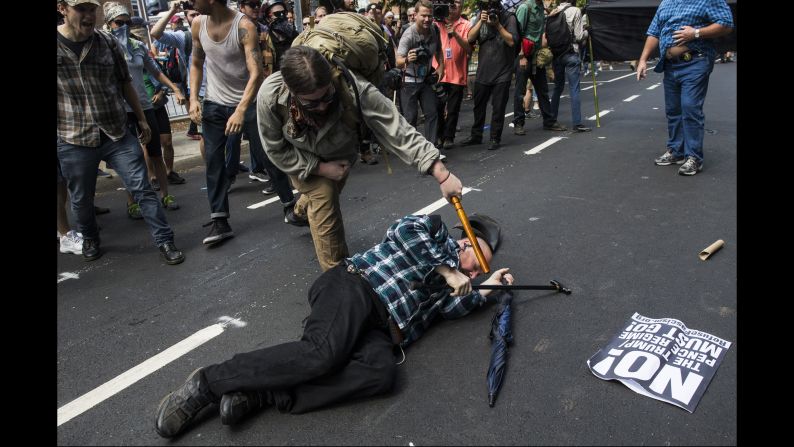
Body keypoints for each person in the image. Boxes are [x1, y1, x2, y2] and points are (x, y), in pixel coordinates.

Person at [154, 213, 513, 438]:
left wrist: (489, 285)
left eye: (480, 269)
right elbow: (405, 230)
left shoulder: (460, 284)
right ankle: (207, 384)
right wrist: (448, 270)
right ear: (465, 242)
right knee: (322, 354)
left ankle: (263, 393)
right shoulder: (435, 234)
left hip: (381, 328)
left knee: (380, 375)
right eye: (477, 260)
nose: (475, 271)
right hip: (356, 286)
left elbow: (451, 308)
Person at [258, 46, 464, 271]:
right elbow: (275, 149)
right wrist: (319, 168)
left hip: (341, 154)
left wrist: (441, 173)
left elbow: (395, 127)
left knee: (330, 191)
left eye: (327, 97)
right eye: (312, 103)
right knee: (324, 195)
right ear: (290, 90)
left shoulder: (352, 86)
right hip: (302, 159)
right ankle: (339, 278)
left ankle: (299, 212)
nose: (322, 106)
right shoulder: (270, 96)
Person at [56, 0, 185, 265]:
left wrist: (141, 119)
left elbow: (125, 82)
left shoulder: (108, 42)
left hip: (116, 132)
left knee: (142, 189)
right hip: (74, 138)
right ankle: (90, 237)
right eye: (82, 9)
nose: (89, 16)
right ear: (62, 9)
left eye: (93, 9)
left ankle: (165, 241)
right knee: (81, 198)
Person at [189, 0, 300, 246]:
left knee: (267, 154)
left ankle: (289, 206)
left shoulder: (244, 26)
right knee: (214, 161)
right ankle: (220, 220)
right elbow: (196, 62)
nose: (192, 2)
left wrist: (240, 110)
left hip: (247, 102)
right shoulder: (198, 23)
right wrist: (193, 98)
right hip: (214, 104)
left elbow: (255, 72)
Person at [102, 4, 186, 216]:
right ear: (109, 24)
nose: (123, 27)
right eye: (118, 23)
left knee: (155, 152)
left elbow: (156, 72)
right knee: (132, 157)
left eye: (127, 22)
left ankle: (165, 194)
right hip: (121, 110)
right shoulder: (105, 47)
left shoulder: (137, 46)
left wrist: (174, 88)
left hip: (145, 106)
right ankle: (132, 202)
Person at [637, 0, 733, 176]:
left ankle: (694, 157)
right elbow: (654, 32)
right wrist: (643, 59)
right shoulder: (666, 2)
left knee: (690, 108)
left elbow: (726, 24)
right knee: (673, 110)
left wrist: (696, 33)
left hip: (696, 61)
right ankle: (676, 151)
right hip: (670, 65)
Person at [460, 0, 519, 151]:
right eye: (486, 6)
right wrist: (481, 20)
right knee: (478, 106)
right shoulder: (481, 17)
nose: (489, 9)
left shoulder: (509, 18)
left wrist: (498, 25)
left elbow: (512, 41)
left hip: (502, 72)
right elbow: (471, 38)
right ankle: (476, 136)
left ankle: (495, 138)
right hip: (483, 71)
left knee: (498, 107)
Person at [397, 0, 445, 148]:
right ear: (415, 15)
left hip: (425, 80)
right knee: (411, 119)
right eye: (423, 15)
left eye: (429, 16)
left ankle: (431, 149)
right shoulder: (408, 35)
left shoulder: (434, 29)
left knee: (432, 113)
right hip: (409, 82)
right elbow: (398, 61)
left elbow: (439, 51)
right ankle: (414, 150)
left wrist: (441, 68)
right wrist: (406, 59)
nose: (427, 19)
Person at [512, 0, 562, 134]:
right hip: (524, 55)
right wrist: (521, 56)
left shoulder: (541, 8)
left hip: (536, 56)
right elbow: (517, 34)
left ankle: (549, 121)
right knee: (520, 92)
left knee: (543, 90)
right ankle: (518, 123)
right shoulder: (525, 7)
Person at [546, 1, 591, 132]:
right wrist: (588, 32)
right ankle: (577, 123)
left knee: (558, 88)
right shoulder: (575, 11)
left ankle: (551, 119)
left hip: (557, 54)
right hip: (571, 54)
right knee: (574, 89)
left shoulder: (555, 11)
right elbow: (578, 36)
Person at [433, 0, 472, 149]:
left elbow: (469, 49)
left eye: (456, 3)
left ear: (461, 5)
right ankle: (438, 136)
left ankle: (449, 137)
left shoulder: (466, 25)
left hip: (457, 73)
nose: (452, 6)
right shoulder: (436, 23)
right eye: (450, 3)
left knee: (453, 108)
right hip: (439, 72)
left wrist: (454, 33)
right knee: (438, 107)